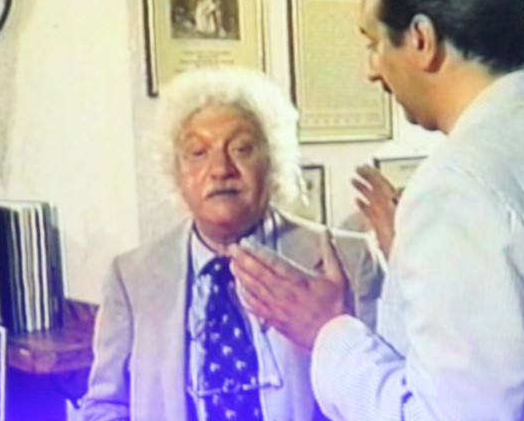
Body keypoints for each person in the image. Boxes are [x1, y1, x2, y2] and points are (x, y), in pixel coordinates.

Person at [230, 0, 524, 421]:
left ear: (422, 40)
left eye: (373, 43)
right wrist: (407, 263)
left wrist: (327, 331)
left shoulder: (457, 188)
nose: (371, 69)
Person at [80, 66, 380, 421]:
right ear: (175, 172)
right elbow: (105, 405)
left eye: (241, 148)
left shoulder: (349, 259)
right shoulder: (132, 277)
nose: (221, 169)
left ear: (273, 161)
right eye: (198, 152)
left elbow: (383, 398)